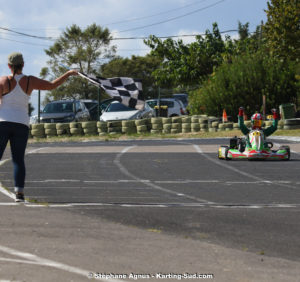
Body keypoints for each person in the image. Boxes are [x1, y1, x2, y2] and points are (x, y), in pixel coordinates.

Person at [0, 52, 78, 202]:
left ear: (9, 66)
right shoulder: (30, 81)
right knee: (18, 160)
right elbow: (52, 85)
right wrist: (68, 74)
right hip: (21, 124)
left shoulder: (3, 80)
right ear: (23, 65)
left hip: (3, 123)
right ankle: (19, 193)